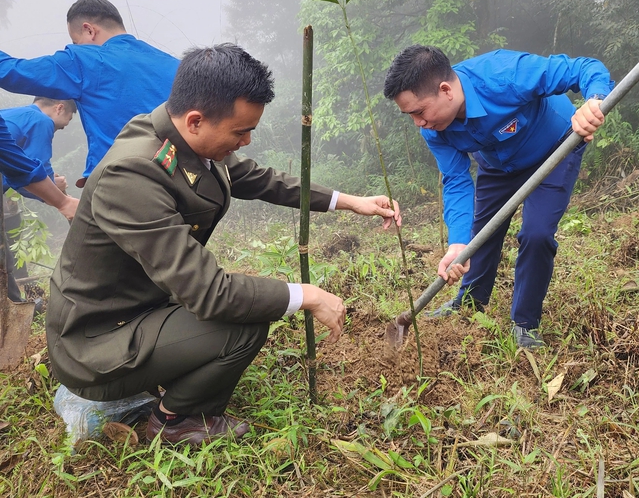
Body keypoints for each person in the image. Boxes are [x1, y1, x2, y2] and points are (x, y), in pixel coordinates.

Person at [46, 43, 402, 445]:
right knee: (241, 326)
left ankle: (165, 375)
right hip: (94, 341)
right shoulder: (130, 176)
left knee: (247, 302)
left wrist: (350, 202)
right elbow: (211, 294)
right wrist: (307, 295)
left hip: (139, 305)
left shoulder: (179, 135)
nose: (247, 141)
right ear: (197, 120)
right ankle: (175, 420)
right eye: (240, 131)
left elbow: (259, 178)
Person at [383, 45, 611, 349]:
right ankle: (471, 300)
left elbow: (584, 67)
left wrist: (593, 102)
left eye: (419, 112)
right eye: (409, 115)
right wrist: (457, 244)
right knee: (480, 234)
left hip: (554, 149)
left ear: (445, 90)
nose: (418, 123)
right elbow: (456, 181)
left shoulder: (505, 75)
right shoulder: (434, 130)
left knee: (537, 234)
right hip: (498, 163)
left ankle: (525, 323)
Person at [0, 0, 179, 185]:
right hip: (181, 185)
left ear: (89, 30)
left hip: (123, 183)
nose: (76, 47)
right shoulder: (178, 66)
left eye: (76, 41)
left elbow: (12, 72)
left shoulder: (86, 60)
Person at [1, 97, 77, 302]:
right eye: (67, 121)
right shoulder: (40, 120)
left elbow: (20, 171)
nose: (62, 127)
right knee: (5, 260)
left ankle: (19, 304)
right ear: (59, 108)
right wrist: (57, 191)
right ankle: (18, 305)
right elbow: (29, 172)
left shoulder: (16, 115)